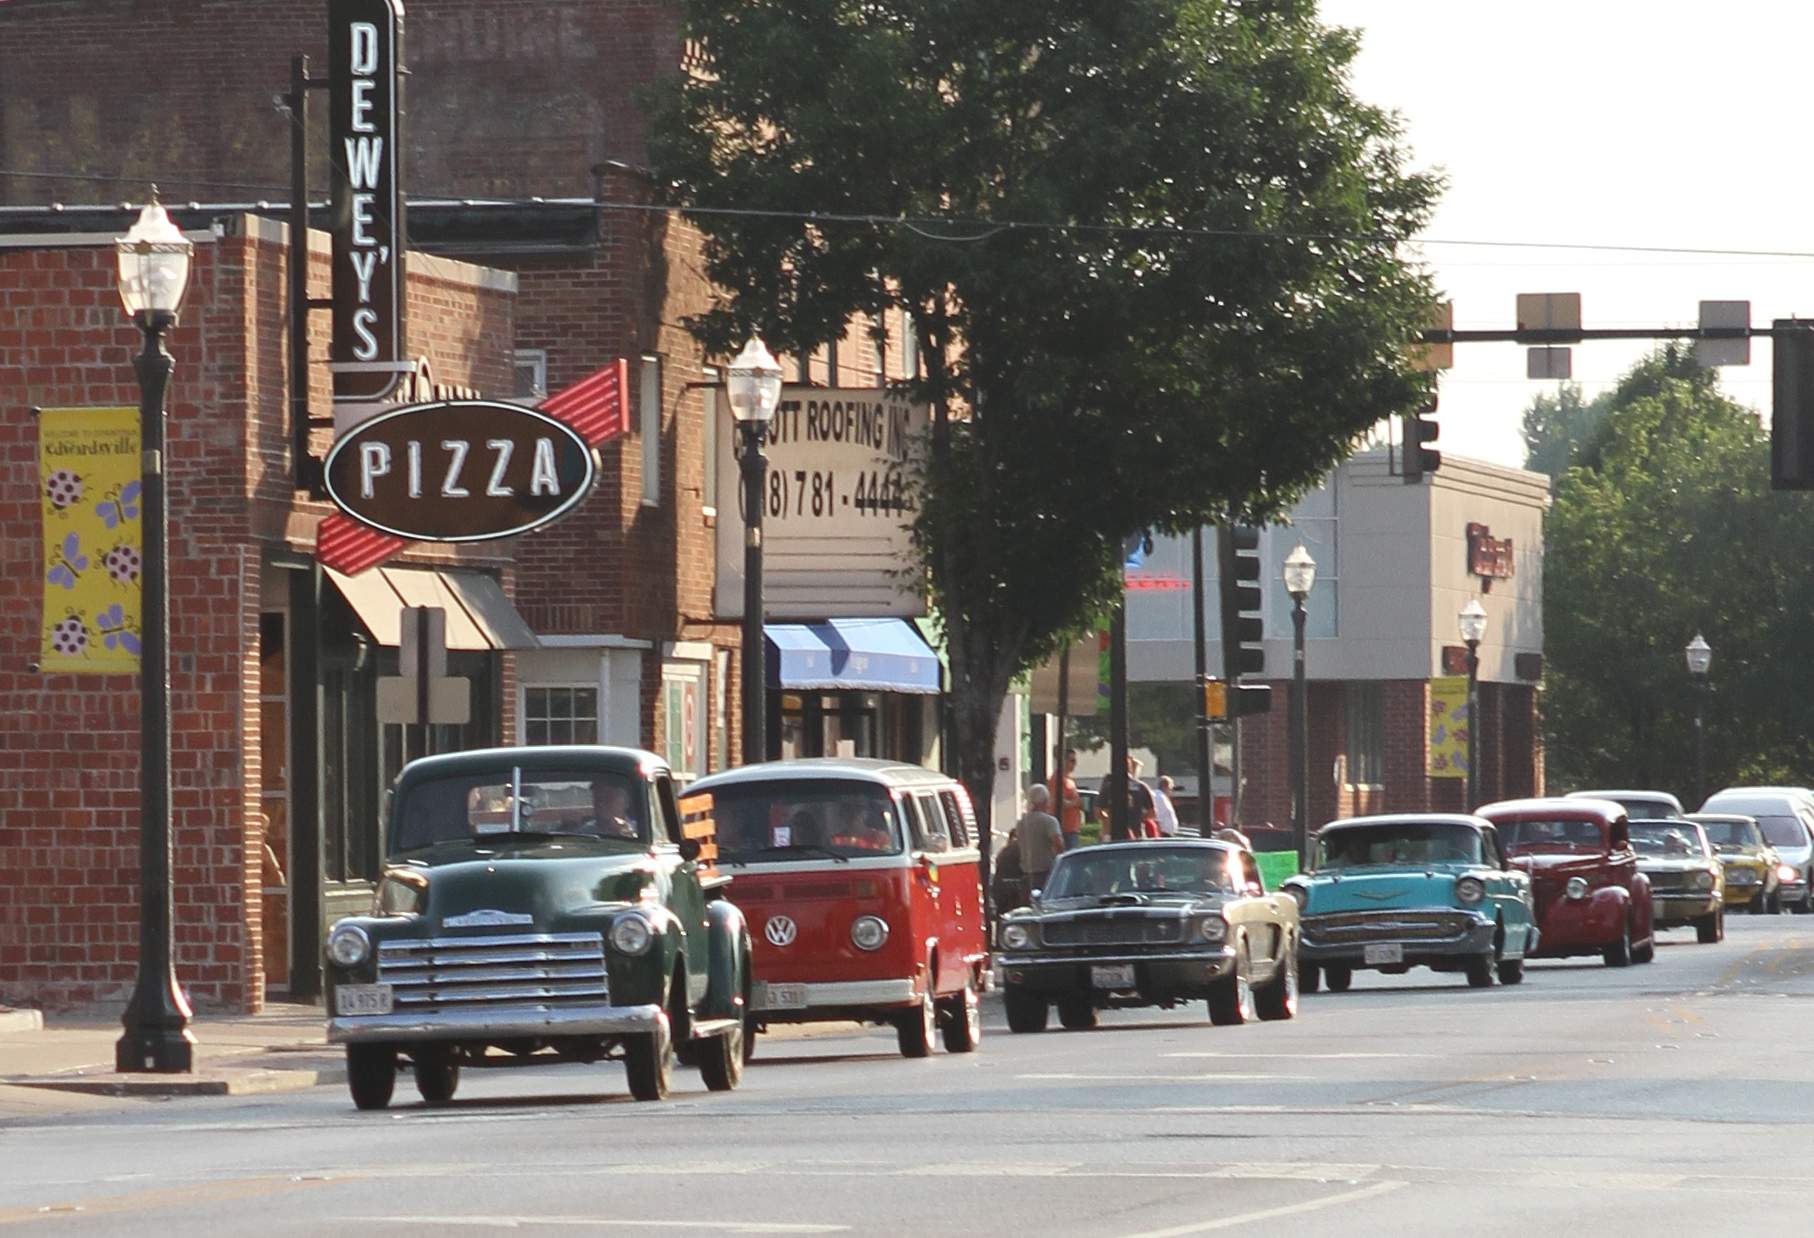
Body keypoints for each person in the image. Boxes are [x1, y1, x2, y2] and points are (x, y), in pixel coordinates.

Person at [1016, 783, 1065, 899]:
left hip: (1026, 872)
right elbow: (1058, 844)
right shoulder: (1049, 821)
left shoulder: (1021, 823)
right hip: (1046, 871)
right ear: (1045, 801)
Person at [1098, 755, 1157, 842]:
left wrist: (1109, 819)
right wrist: (1139, 817)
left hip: (1112, 833)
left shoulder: (1109, 787)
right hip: (1137, 832)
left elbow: (1098, 811)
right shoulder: (1141, 787)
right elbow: (1152, 813)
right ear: (1130, 767)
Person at [1049, 747, 1085, 852]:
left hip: (1073, 827)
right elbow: (1058, 803)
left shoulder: (1069, 780)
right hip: (1065, 829)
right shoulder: (1057, 779)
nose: (1075, 764)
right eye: (1072, 760)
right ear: (1063, 761)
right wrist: (1076, 803)